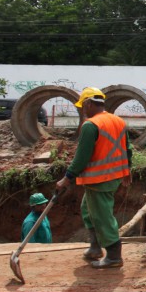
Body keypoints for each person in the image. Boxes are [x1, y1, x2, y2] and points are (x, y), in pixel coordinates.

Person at [56, 87, 132, 269]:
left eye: (83, 106)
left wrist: (67, 178)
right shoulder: (118, 121)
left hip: (99, 179)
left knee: (102, 216)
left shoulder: (91, 125)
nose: (83, 110)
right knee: (87, 209)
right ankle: (95, 247)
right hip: (113, 175)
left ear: (89, 103)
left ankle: (114, 256)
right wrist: (127, 170)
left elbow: (82, 157)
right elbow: (127, 148)